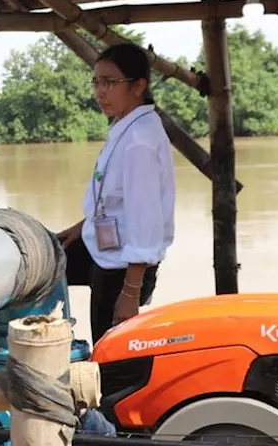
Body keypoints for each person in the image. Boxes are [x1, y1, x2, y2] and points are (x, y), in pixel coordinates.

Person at [56, 43, 175, 344]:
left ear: (138, 86)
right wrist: (80, 228)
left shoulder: (139, 141)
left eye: (110, 82)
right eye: (96, 82)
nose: (100, 92)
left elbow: (145, 218)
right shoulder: (125, 126)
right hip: (105, 247)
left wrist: (130, 294)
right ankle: (20, 343)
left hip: (125, 267)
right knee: (42, 265)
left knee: (109, 350)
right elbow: (113, 200)